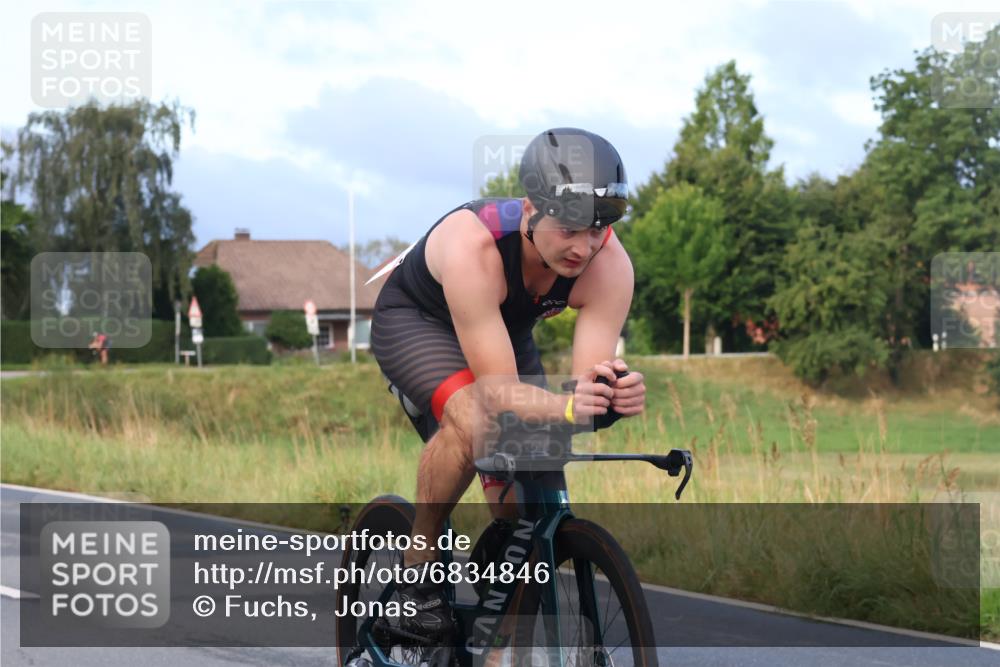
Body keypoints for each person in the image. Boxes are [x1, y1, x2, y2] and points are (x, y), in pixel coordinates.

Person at [369, 128, 646, 645]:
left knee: (533, 482)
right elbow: (496, 394)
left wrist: (611, 395)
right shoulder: (472, 246)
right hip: (418, 323)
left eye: (600, 228)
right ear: (529, 209)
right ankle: (416, 576)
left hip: (501, 328)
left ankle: (496, 638)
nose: (584, 246)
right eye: (569, 227)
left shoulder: (610, 266)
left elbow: (581, 389)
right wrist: (565, 407)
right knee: (476, 421)